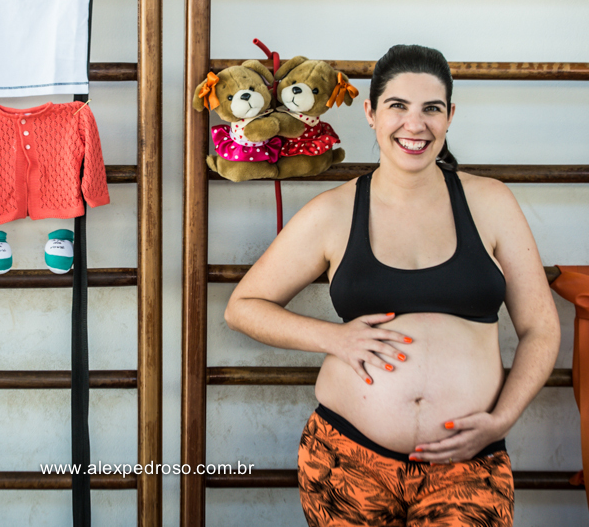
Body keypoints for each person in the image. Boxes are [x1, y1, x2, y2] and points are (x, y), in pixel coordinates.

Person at [224, 44, 560, 527]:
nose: (414, 124)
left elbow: (541, 329)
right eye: (398, 106)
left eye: (432, 109)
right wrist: (333, 337)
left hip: (467, 462)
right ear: (370, 113)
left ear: (450, 117)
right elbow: (244, 307)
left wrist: (503, 419)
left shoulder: (491, 201)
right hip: (345, 459)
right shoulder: (333, 212)